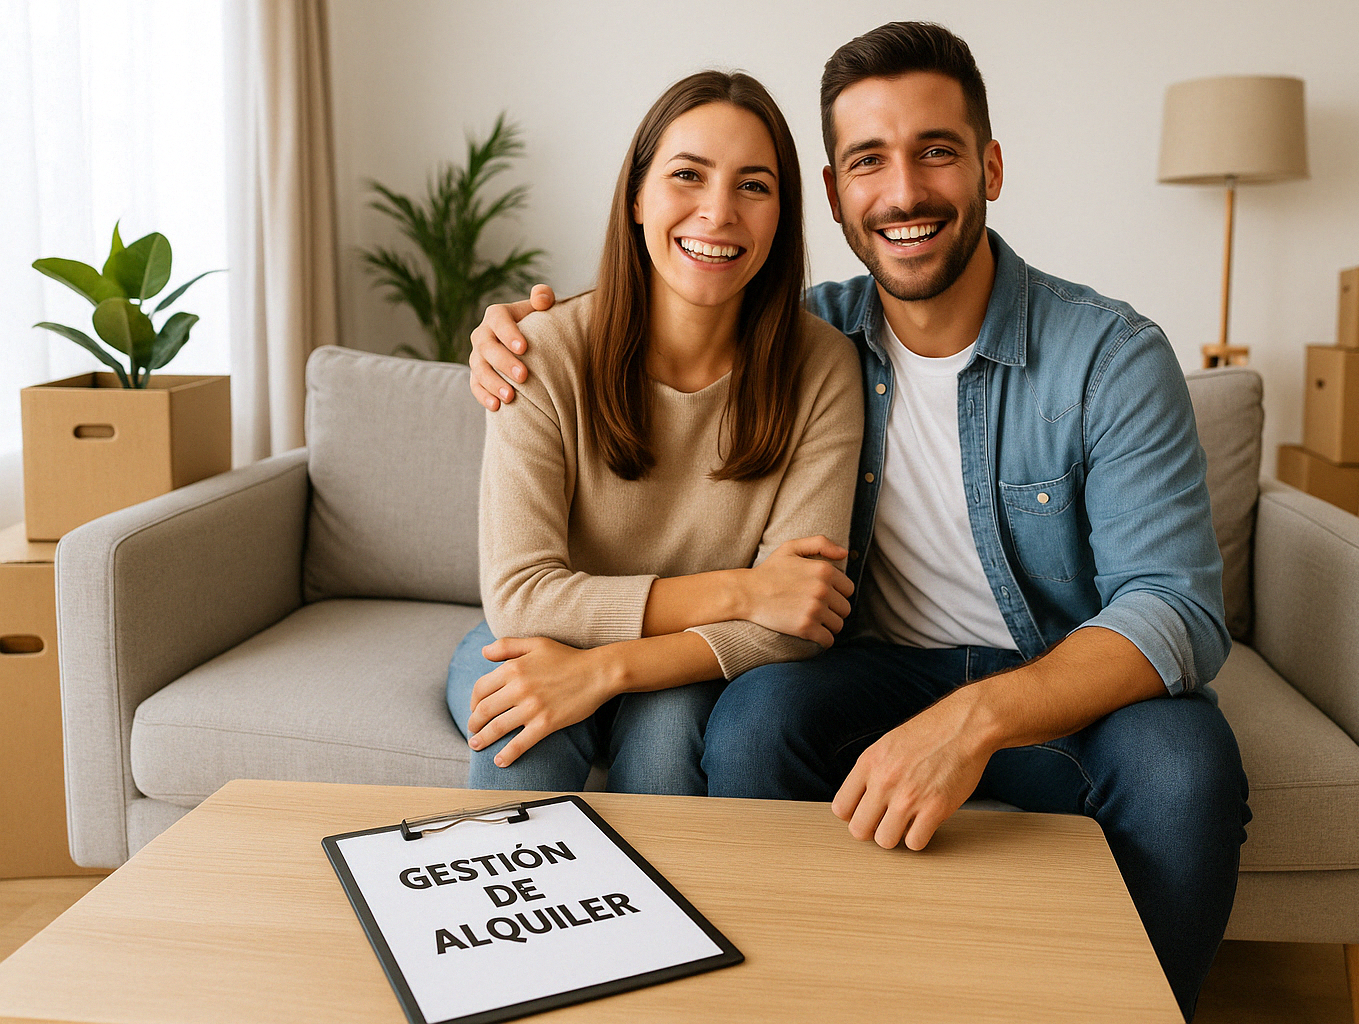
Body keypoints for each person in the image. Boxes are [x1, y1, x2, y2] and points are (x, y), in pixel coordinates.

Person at [467, 24, 1249, 1021]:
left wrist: (972, 721)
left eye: (937, 151)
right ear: (835, 196)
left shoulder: (1110, 357)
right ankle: (785, 997)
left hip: (1061, 683)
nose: (905, 191)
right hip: (872, 672)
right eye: (870, 161)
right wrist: (518, 327)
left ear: (990, 167)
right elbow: (676, 293)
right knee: (752, 723)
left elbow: (1176, 607)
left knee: (1187, 771)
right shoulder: (807, 338)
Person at [448, 70, 863, 798]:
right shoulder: (537, 352)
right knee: (519, 727)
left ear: (782, 216)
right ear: (637, 197)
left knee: (668, 743)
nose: (718, 211)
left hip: (685, 662)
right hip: (537, 640)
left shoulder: (822, 367)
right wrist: (745, 590)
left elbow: (799, 614)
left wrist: (605, 669)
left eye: (753, 186)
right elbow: (521, 599)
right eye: (687, 175)